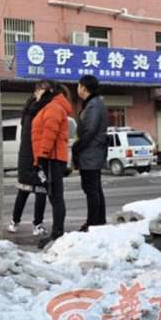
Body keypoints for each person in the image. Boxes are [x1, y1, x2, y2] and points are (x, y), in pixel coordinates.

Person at [31, 81, 73, 249]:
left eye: (38, 90)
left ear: (47, 90)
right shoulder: (49, 106)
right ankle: (57, 232)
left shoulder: (54, 107)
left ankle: (57, 233)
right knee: (54, 196)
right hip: (50, 157)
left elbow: (50, 132)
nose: (36, 93)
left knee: (55, 196)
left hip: (51, 158)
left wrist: (42, 156)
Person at [6, 81, 50, 236]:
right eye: (44, 91)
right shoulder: (37, 107)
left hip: (25, 153)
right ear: (38, 91)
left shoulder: (28, 107)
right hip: (34, 153)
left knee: (24, 190)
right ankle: (37, 224)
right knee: (40, 189)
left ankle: (14, 222)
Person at [72, 74, 109, 232]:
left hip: (90, 152)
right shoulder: (96, 103)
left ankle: (93, 223)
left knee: (91, 189)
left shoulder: (93, 105)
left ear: (84, 88)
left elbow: (90, 130)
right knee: (95, 189)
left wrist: (77, 146)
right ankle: (99, 221)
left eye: (78, 85)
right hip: (93, 151)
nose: (77, 88)